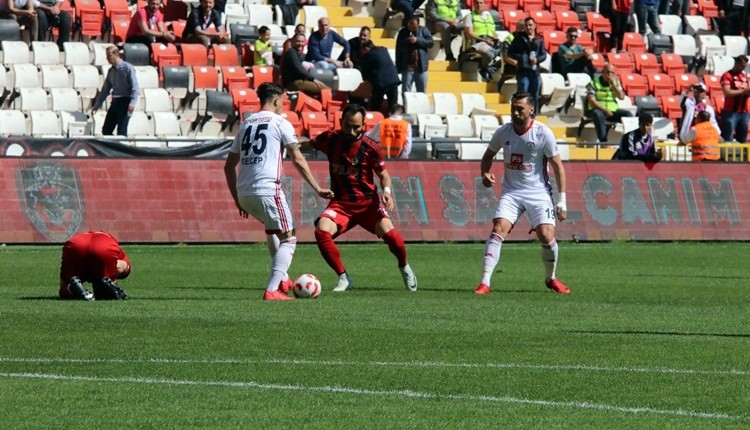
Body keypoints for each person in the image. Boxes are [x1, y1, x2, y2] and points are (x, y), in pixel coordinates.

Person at [223, 82, 334, 301]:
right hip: (267, 189)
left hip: (245, 192)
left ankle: (283, 278)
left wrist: (237, 199)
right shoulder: (280, 122)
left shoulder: (246, 124)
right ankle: (272, 289)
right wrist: (317, 187)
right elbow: (298, 157)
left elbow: (228, 166)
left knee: (274, 230)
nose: (283, 105)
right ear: (276, 100)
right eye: (282, 101)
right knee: (289, 238)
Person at [305, 104, 418, 293]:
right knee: (321, 231)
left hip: (368, 205)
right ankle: (343, 277)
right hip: (341, 204)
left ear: (364, 125)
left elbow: (384, 175)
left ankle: (404, 267)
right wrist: (284, 144)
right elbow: (303, 145)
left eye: (357, 127)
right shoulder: (330, 139)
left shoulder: (370, 148)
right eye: (348, 125)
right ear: (340, 122)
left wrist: (387, 192)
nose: (352, 131)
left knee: (394, 239)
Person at [474, 92, 569, 296]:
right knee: (498, 228)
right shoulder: (503, 132)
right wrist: (485, 174)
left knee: (546, 235)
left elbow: (558, 167)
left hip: (538, 192)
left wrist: (562, 201)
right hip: (512, 192)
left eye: (520, 108)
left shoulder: (543, 133)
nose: (515, 112)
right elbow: (488, 155)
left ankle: (550, 278)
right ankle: (484, 282)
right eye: (513, 108)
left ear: (531, 110)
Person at [59, 231, 130, 301]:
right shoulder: (109, 239)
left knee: (66, 283)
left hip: (75, 244)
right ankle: (105, 284)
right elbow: (121, 265)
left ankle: (72, 288)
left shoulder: (81, 236)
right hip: (104, 246)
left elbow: (63, 281)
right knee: (125, 267)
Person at [91, 45, 139, 137]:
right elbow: (106, 89)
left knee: (121, 131)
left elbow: (134, 86)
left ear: (116, 55)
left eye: (109, 56)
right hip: (115, 102)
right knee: (106, 130)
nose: (107, 58)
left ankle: (121, 150)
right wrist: (97, 104)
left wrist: (132, 102)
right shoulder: (111, 71)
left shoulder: (127, 68)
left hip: (125, 102)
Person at [585, 62, 633, 143]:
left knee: (628, 115)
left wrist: (613, 85)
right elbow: (591, 100)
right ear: (603, 72)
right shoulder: (593, 83)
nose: (609, 74)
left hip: (612, 111)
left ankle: (629, 141)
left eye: (612, 73)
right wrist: (604, 109)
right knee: (597, 114)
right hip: (597, 110)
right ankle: (603, 142)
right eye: (607, 72)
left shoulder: (616, 83)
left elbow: (621, 97)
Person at [508, 17, 546, 115]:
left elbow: (543, 54)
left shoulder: (539, 39)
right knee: (522, 94)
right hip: (523, 71)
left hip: (535, 72)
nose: (528, 28)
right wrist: (522, 57)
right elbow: (510, 52)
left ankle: (533, 117)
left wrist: (537, 60)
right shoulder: (519, 38)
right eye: (526, 25)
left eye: (530, 25)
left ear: (535, 26)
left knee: (534, 96)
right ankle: (520, 115)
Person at [395, 17, 434, 101]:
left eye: (413, 24)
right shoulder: (403, 32)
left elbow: (431, 43)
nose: (410, 26)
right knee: (406, 91)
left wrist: (417, 40)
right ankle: (406, 108)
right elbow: (398, 49)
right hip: (407, 66)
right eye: (409, 23)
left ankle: (420, 109)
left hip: (421, 67)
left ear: (418, 24)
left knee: (422, 92)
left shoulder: (424, 30)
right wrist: (398, 67)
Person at [462, 0, 500, 82]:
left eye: (481, 3)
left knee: (506, 52)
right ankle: (484, 69)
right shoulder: (469, 16)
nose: (479, 5)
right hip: (477, 42)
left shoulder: (489, 17)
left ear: (484, 4)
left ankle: (489, 69)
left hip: (490, 41)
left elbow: (493, 32)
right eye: (476, 3)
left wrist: (496, 39)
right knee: (489, 53)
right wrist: (484, 40)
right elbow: (469, 34)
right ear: (473, 5)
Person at [361, 40, 401, 113]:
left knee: (375, 106)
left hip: (381, 83)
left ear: (366, 48)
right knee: (393, 106)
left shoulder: (369, 54)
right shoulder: (383, 50)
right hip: (394, 80)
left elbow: (365, 71)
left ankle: (374, 120)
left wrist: (367, 79)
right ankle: (395, 121)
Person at [719, 55, 750, 143]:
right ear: (736, 64)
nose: (743, 68)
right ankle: (726, 155)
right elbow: (727, 92)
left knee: (743, 137)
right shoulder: (727, 75)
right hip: (730, 112)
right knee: (728, 136)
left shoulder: (745, 76)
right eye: (742, 66)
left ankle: (743, 156)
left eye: (745, 66)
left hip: (744, 111)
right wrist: (743, 91)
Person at [498, 20, 524, 92]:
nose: (523, 30)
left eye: (524, 29)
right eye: (521, 28)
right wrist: (518, 64)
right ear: (516, 28)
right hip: (510, 65)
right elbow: (505, 56)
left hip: (524, 64)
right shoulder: (510, 38)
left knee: (544, 71)